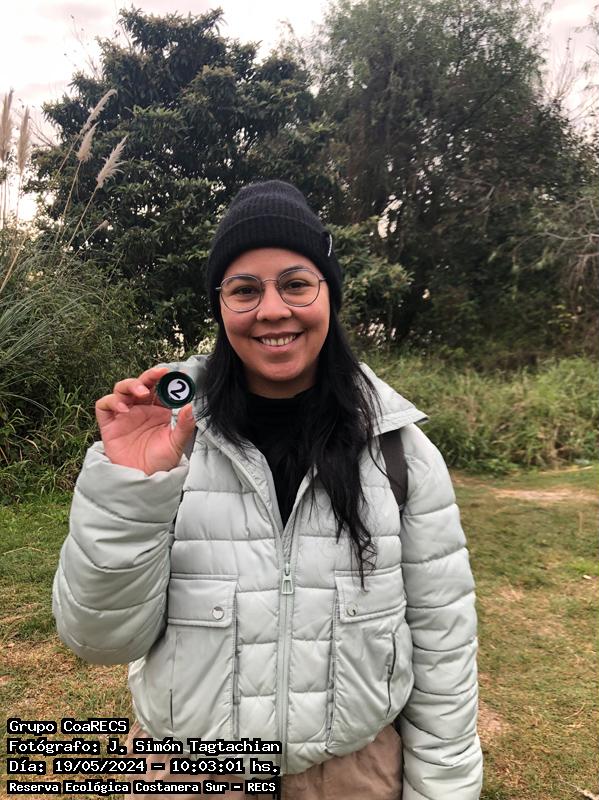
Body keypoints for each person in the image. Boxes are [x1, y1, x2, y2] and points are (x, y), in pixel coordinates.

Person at [52, 180, 482, 799]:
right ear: (220, 308)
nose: (273, 309)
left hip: (354, 777)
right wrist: (132, 487)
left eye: (296, 283)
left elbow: (444, 649)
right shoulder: (168, 446)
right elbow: (98, 639)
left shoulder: (401, 454)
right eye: (245, 289)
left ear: (329, 295)